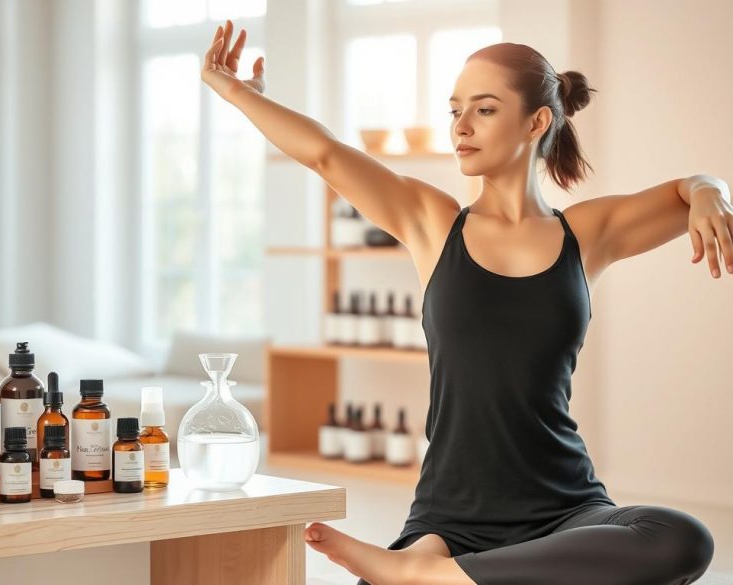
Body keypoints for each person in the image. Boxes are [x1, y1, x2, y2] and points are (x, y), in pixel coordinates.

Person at [202, 18, 731, 585]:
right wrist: (233, 90)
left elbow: (690, 187)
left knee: (683, 539)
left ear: (537, 121)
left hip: (569, 508)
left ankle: (425, 576)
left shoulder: (586, 233)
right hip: (451, 518)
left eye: (483, 109)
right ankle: (441, 565)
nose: (461, 126)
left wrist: (710, 193)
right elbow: (325, 155)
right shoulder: (432, 223)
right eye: (455, 110)